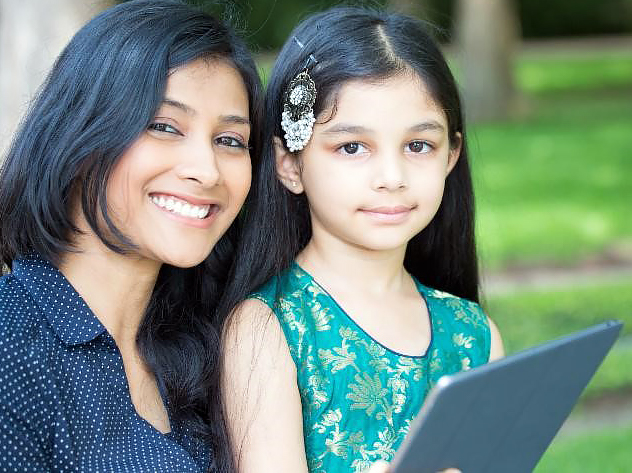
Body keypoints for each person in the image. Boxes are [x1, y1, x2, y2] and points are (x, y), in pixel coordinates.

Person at [216, 7, 504, 473]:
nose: (391, 177)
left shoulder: (473, 333)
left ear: (451, 156)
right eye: (352, 147)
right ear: (290, 164)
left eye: (418, 146)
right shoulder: (269, 329)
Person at [0, 0, 261, 470]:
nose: (206, 170)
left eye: (229, 140)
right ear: (78, 135)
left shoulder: (218, 348)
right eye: (164, 126)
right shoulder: (13, 345)